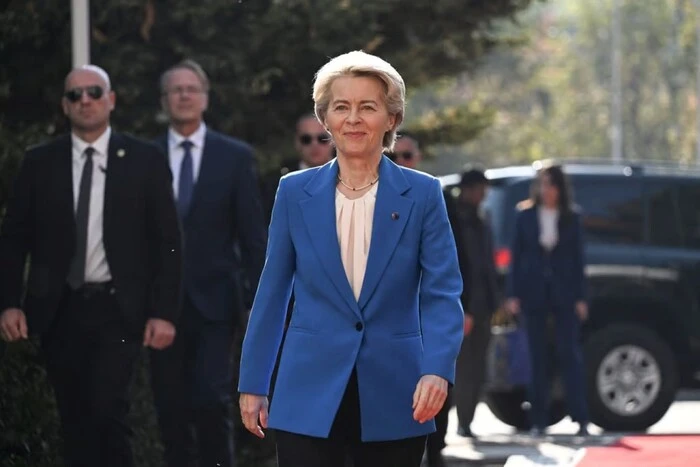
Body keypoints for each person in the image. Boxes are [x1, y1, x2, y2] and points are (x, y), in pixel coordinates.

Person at [238, 50, 464, 467]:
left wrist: (438, 369)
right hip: (306, 390)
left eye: (368, 107)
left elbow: (442, 292)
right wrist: (253, 380)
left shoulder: (424, 194)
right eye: (341, 107)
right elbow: (272, 292)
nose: (353, 119)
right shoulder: (293, 192)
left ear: (391, 118)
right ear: (325, 119)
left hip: (398, 392)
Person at [0, 65, 182, 467]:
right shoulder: (39, 162)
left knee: (107, 411)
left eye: (94, 92)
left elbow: (167, 243)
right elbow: (14, 238)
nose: (85, 101)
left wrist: (163, 312)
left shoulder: (143, 160)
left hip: (118, 310)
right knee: (74, 417)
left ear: (111, 100)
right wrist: (8, 302)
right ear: (65, 106)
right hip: (58, 308)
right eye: (75, 95)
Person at [149, 59, 267, 467]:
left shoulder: (233, 157)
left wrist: (259, 300)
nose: (183, 95)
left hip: (216, 304)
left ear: (205, 97)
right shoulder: (144, 157)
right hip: (159, 306)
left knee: (210, 399)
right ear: (164, 100)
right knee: (169, 408)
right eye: (175, 89)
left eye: (191, 88)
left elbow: (253, 236)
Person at [505, 163, 590, 436]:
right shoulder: (525, 215)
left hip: (564, 293)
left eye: (551, 184)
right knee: (536, 357)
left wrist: (581, 297)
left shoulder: (571, 216)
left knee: (569, 355)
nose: (547, 190)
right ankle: (539, 420)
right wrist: (513, 294)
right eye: (542, 184)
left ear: (560, 188)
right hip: (534, 293)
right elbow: (515, 258)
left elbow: (579, 260)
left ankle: (580, 417)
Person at [448, 167, 499, 440]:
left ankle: (467, 419)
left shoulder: (482, 218)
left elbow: (487, 264)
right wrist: (463, 306)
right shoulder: (455, 219)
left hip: (483, 306)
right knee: (464, 367)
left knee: (478, 366)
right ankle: (460, 421)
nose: (483, 194)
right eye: (479, 189)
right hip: (464, 306)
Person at [261, 113, 335, 222]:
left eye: (322, 138)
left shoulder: (354, 178)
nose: (314, 145)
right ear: (297, 142)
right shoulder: (275, 183)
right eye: (306, 139)